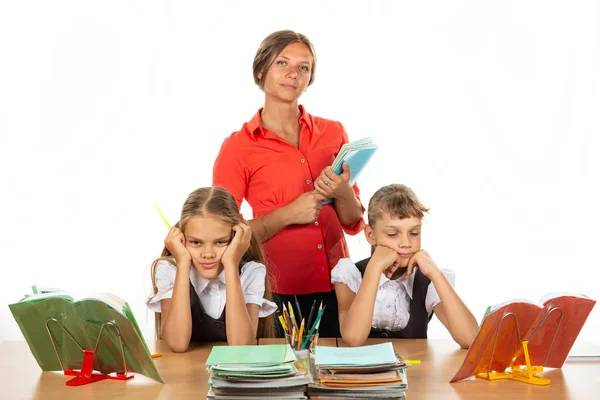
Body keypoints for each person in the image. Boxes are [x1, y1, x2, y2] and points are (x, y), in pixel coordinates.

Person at [213, 30, 365, 337]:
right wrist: (288, 214)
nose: (293, 73)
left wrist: (342, 192)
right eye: (282, 63)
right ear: (261, 70)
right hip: (274, 292)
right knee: (280, 380)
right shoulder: (238, 147)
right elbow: (221, 234)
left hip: (340, 287)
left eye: (304, 67)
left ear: (310, 78)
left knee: (335, 378)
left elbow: (353, 221)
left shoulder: (333, 133)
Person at [332, 184, 478, 348]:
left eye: (414, 233)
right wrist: (374, 268)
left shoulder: (426, 281)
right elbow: (353, 338)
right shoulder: (350, 275)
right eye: (393, 234)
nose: (406, 243)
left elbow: (471, 339)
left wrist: (435, 273)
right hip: (359, 373)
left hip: (414, 371)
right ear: (370, 235)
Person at [146, 187, 276, 352]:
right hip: (184, 375)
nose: (208, 254)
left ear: (237, 238)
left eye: (220, 242)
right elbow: (177, 344)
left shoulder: (251, 272)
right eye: (195, 242)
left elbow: (241, 346)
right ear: (181, 240)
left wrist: (231, 265)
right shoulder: (170, 269)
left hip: (233, 376)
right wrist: (183, 264)